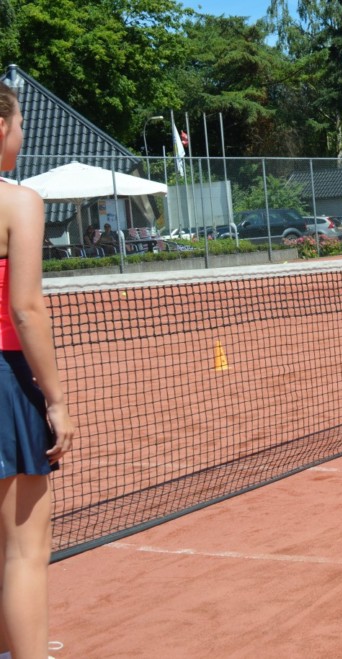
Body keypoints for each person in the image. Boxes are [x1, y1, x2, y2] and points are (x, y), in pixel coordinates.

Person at [0, 82, 76, 659]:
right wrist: (54, 399)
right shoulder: (19, 201)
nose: (24, 135)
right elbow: (26, 310)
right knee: (24, 550)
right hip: (3, 384)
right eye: (21, 122)